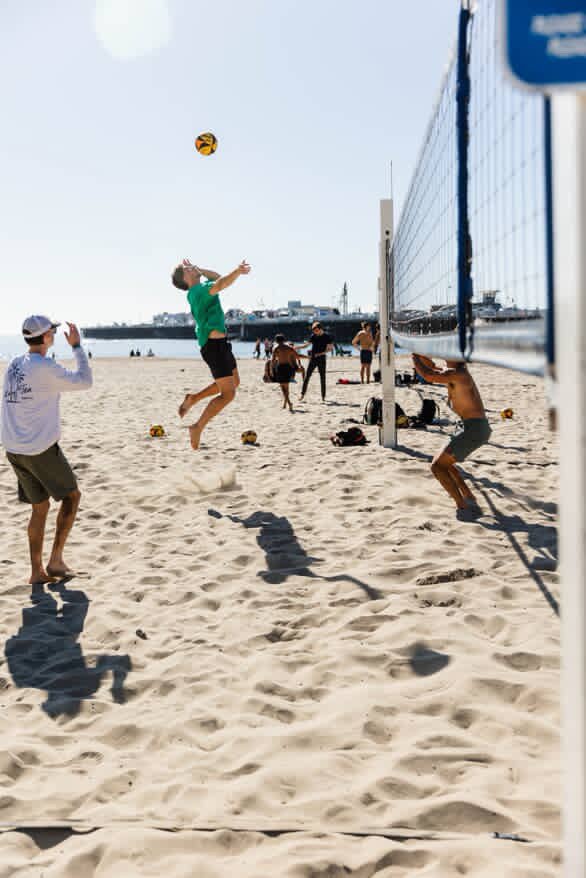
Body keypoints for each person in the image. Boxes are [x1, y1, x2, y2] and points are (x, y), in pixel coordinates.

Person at [1, 316, 93, 584]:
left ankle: (36, 572)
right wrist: (77, 347)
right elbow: (85, 381)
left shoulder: (15, 363)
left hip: (13, 446)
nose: (54, 335)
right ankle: (55, 561)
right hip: (37, 447)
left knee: (39, 507)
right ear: (44, 338)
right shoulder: (44, 366)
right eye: (52, 332)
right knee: (72, 496)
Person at [171, 257, 251, 449]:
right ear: (185, 277)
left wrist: (198, 268)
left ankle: (194, 398)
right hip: (213, 347)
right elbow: (222, 282)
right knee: (228, 394)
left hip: (220, 343)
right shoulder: (197, 291)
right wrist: (237, 271)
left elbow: (216, 277)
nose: (191, 267)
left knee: (235, 382)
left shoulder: (202, 284)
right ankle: (197, 427)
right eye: (187, 268)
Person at [412, 354, 491, 520]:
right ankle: (469, 497)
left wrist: (414, 356)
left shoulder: (460, 374)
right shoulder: (452, 371)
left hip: (474, 429)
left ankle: (462, 505)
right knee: (444, 463)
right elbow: (431, 367)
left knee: (437, 467)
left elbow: (427, 375)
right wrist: (420, 354)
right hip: (466, 425)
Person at [298, 322, 333, 402]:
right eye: (314, 331)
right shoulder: (313, 336)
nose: (315, 332)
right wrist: (296, 347)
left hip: (321, 359)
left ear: (320, 329)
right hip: (313, 358)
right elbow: (306, 345)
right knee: (307, 377)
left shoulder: (327, 337)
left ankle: (323, 397)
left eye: (316, 330)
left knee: (322, 377)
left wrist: (320, 354)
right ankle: (302, 394)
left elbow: (330, 349)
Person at [271, 334, 305, 412]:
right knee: (286, 386)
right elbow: (297, 356)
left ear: (276, 341)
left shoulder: (276, 348)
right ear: (284, 340)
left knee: (283, 387)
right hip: (288, 368)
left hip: (280, 368)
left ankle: (289, 403)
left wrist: (272, 371)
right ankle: (285, 403)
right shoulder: (289, 348)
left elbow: (273, 361)